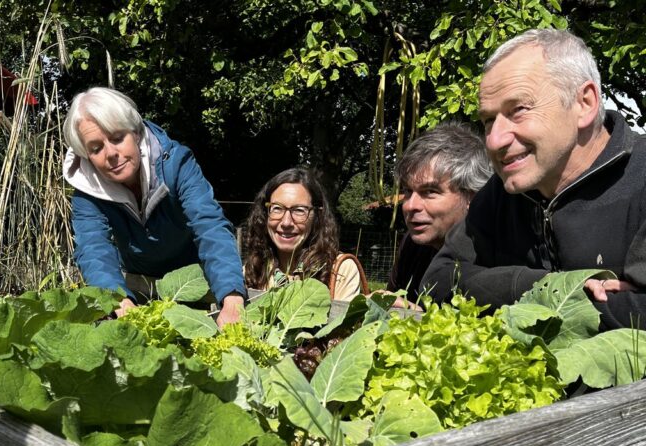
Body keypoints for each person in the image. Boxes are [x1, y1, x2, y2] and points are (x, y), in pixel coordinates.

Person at [420, 28, 646, 330]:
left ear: (585, 103)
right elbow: (437, 283)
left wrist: (496, 295)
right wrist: (548, 288)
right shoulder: (501, 194)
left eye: (519, 110)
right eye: (488, 120)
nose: (494, 140)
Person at [62, 87, 246, 327]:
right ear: (86, 155)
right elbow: (93, 248)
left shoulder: (176, 165)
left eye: (117, 138)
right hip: (137, 283)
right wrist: (119, 300)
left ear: (135, 133)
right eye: (96, 148)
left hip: (194, 279)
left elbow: (209, 226)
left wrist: (232, 296)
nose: (111, 154)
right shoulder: (87, 189)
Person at [386, 122, 492, 304]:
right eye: (408, 191)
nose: (411, 206)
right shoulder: (413, 245)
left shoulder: (493, 255)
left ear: (471, 198)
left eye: (430, 192)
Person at [243, 167, 367, 301]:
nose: (286, 222)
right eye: (277, 208)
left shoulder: (340, 271)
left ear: (317, 216)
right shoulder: (253, 269)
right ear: (264, 213)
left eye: (299, 210)